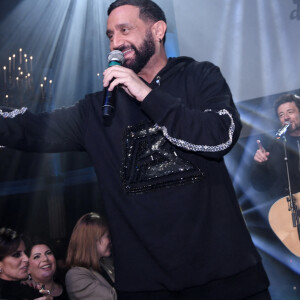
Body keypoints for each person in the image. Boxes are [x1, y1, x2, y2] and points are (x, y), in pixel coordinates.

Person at [0, 0, 270, 298]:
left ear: (158, 30)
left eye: (125, 30)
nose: (115, 42)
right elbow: (26, 128)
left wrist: (146, 94)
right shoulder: (96, 110)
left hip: (227, 278)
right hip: (147, 286)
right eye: (110, 35)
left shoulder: (199, 77)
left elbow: (220, 136)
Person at [251, 93, 300, 200]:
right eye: (281, 115)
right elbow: (260, 186)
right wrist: (261, 165)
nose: (286, 117)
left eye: (290, 112)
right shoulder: (276, 147)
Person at [65, 212, 116, 300]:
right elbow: (112, 298)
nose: (111, 240)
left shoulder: (107, 263)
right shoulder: (75, 276)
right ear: (92, 241)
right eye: (108, 236)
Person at [0, 227, 51, 300]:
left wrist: (41, 287)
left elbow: (49, 297)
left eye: (25, 253)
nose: (26, 259)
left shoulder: (28, 287)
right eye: (16, 255)